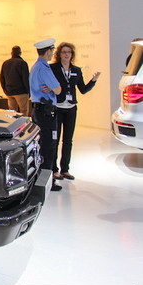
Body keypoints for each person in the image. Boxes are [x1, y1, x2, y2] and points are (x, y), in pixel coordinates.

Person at [49, 42, 100, 181]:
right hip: (57, 108)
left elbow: (83, 89)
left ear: (72, 55)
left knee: (68, 140)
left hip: (71, 109)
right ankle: (54, 170)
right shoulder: (53, 68)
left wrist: (93, 81)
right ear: (59, 54)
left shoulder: (76, 70)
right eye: (64, 52)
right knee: (55, 140)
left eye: (69, 52)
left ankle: (65, 169)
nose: (66, 54)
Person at [29, 38, 62, 191]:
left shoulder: (35, 67)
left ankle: (40, 179)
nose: (53, 53)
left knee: (42, 145)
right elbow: (58, 90)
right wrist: (54, 88)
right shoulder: (44, 68)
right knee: (48, 147)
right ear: (48, 51)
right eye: (52, 51)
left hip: (39, 110)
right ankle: (47, 182)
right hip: (46, 112)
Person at [0, 45, 31, 115]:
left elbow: (2, 78)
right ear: (20, 53)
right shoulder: (22, 63)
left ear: (11, 53)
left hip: (9, 92)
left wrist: (5, 90)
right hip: (21, 92)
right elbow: (26, 79)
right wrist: (28, 92)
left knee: (12, 113)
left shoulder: (5, 63)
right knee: (24, 113)